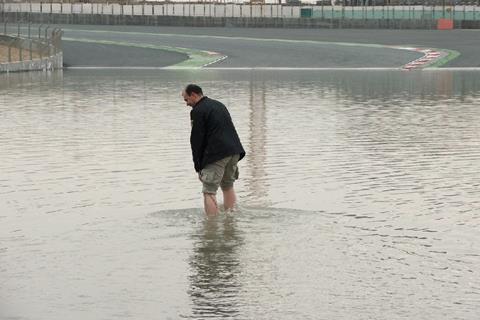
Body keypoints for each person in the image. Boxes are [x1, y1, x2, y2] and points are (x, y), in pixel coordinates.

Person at [182, 84, 245, 215]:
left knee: (208, 191)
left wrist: (198, 167)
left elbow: (197, 140)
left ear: (193, 95)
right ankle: (231, 219)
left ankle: (211, 227)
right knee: (228, 186)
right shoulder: (219, 105)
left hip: (217, 154)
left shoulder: (198, 111)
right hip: (234, 150)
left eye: (186, 99)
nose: (186, 104)